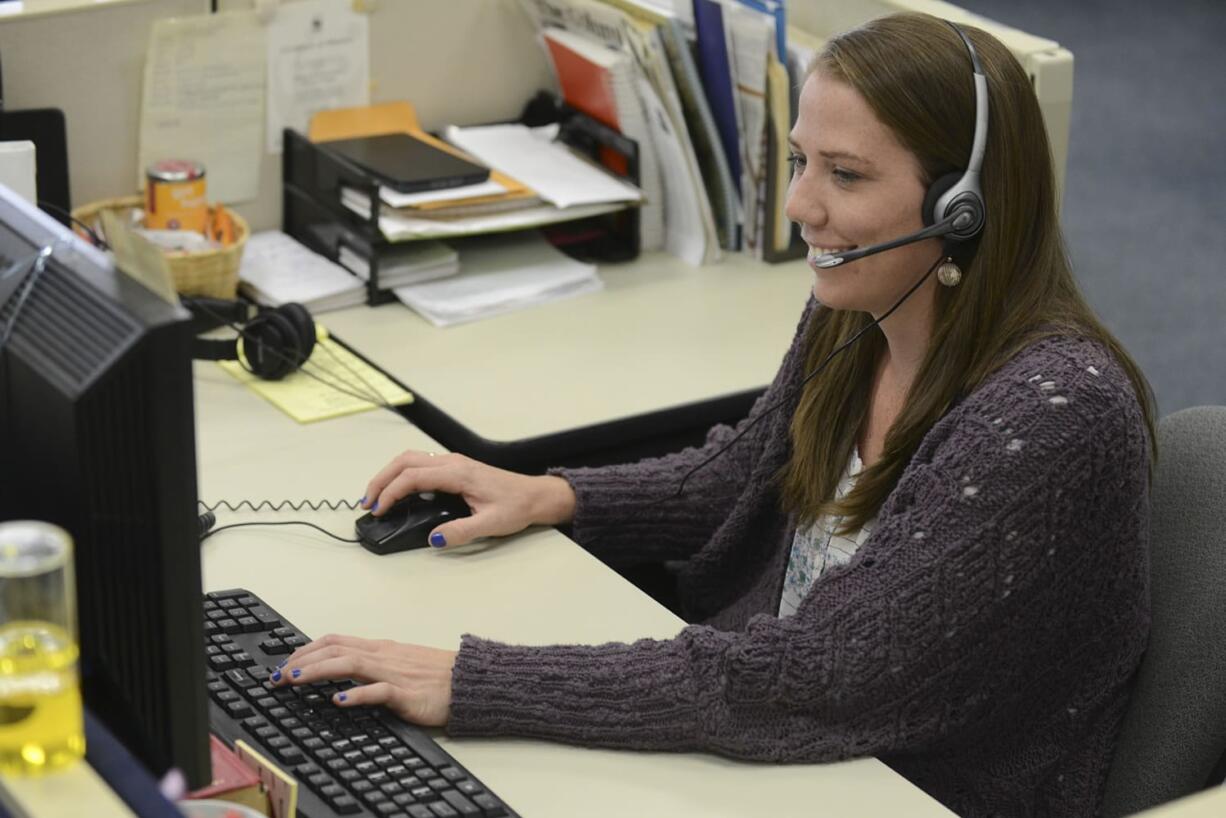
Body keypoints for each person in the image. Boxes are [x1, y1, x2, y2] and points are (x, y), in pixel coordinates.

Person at [273, 13, 1156, 816]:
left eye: (846, 175)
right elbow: (747, 477)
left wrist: (473, 682)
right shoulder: (863, 303)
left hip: (908, 787)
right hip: (785, 753)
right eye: (802, 160)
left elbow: (826, 675)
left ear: (962, 208)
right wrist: (551, 495)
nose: (803, 206)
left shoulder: (1053, 418)